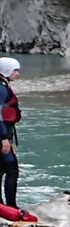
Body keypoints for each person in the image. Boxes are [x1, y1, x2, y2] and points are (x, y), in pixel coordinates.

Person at [0, 57, 22, 208]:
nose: (17, 73)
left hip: (5, 135)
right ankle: (11, 206)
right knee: (12, 169)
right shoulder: (1, 89)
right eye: (15, 70)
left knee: (2, 169)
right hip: (2, 136)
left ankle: (2, 205)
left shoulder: (3, 86)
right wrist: (4, 138)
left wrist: (9, 140)